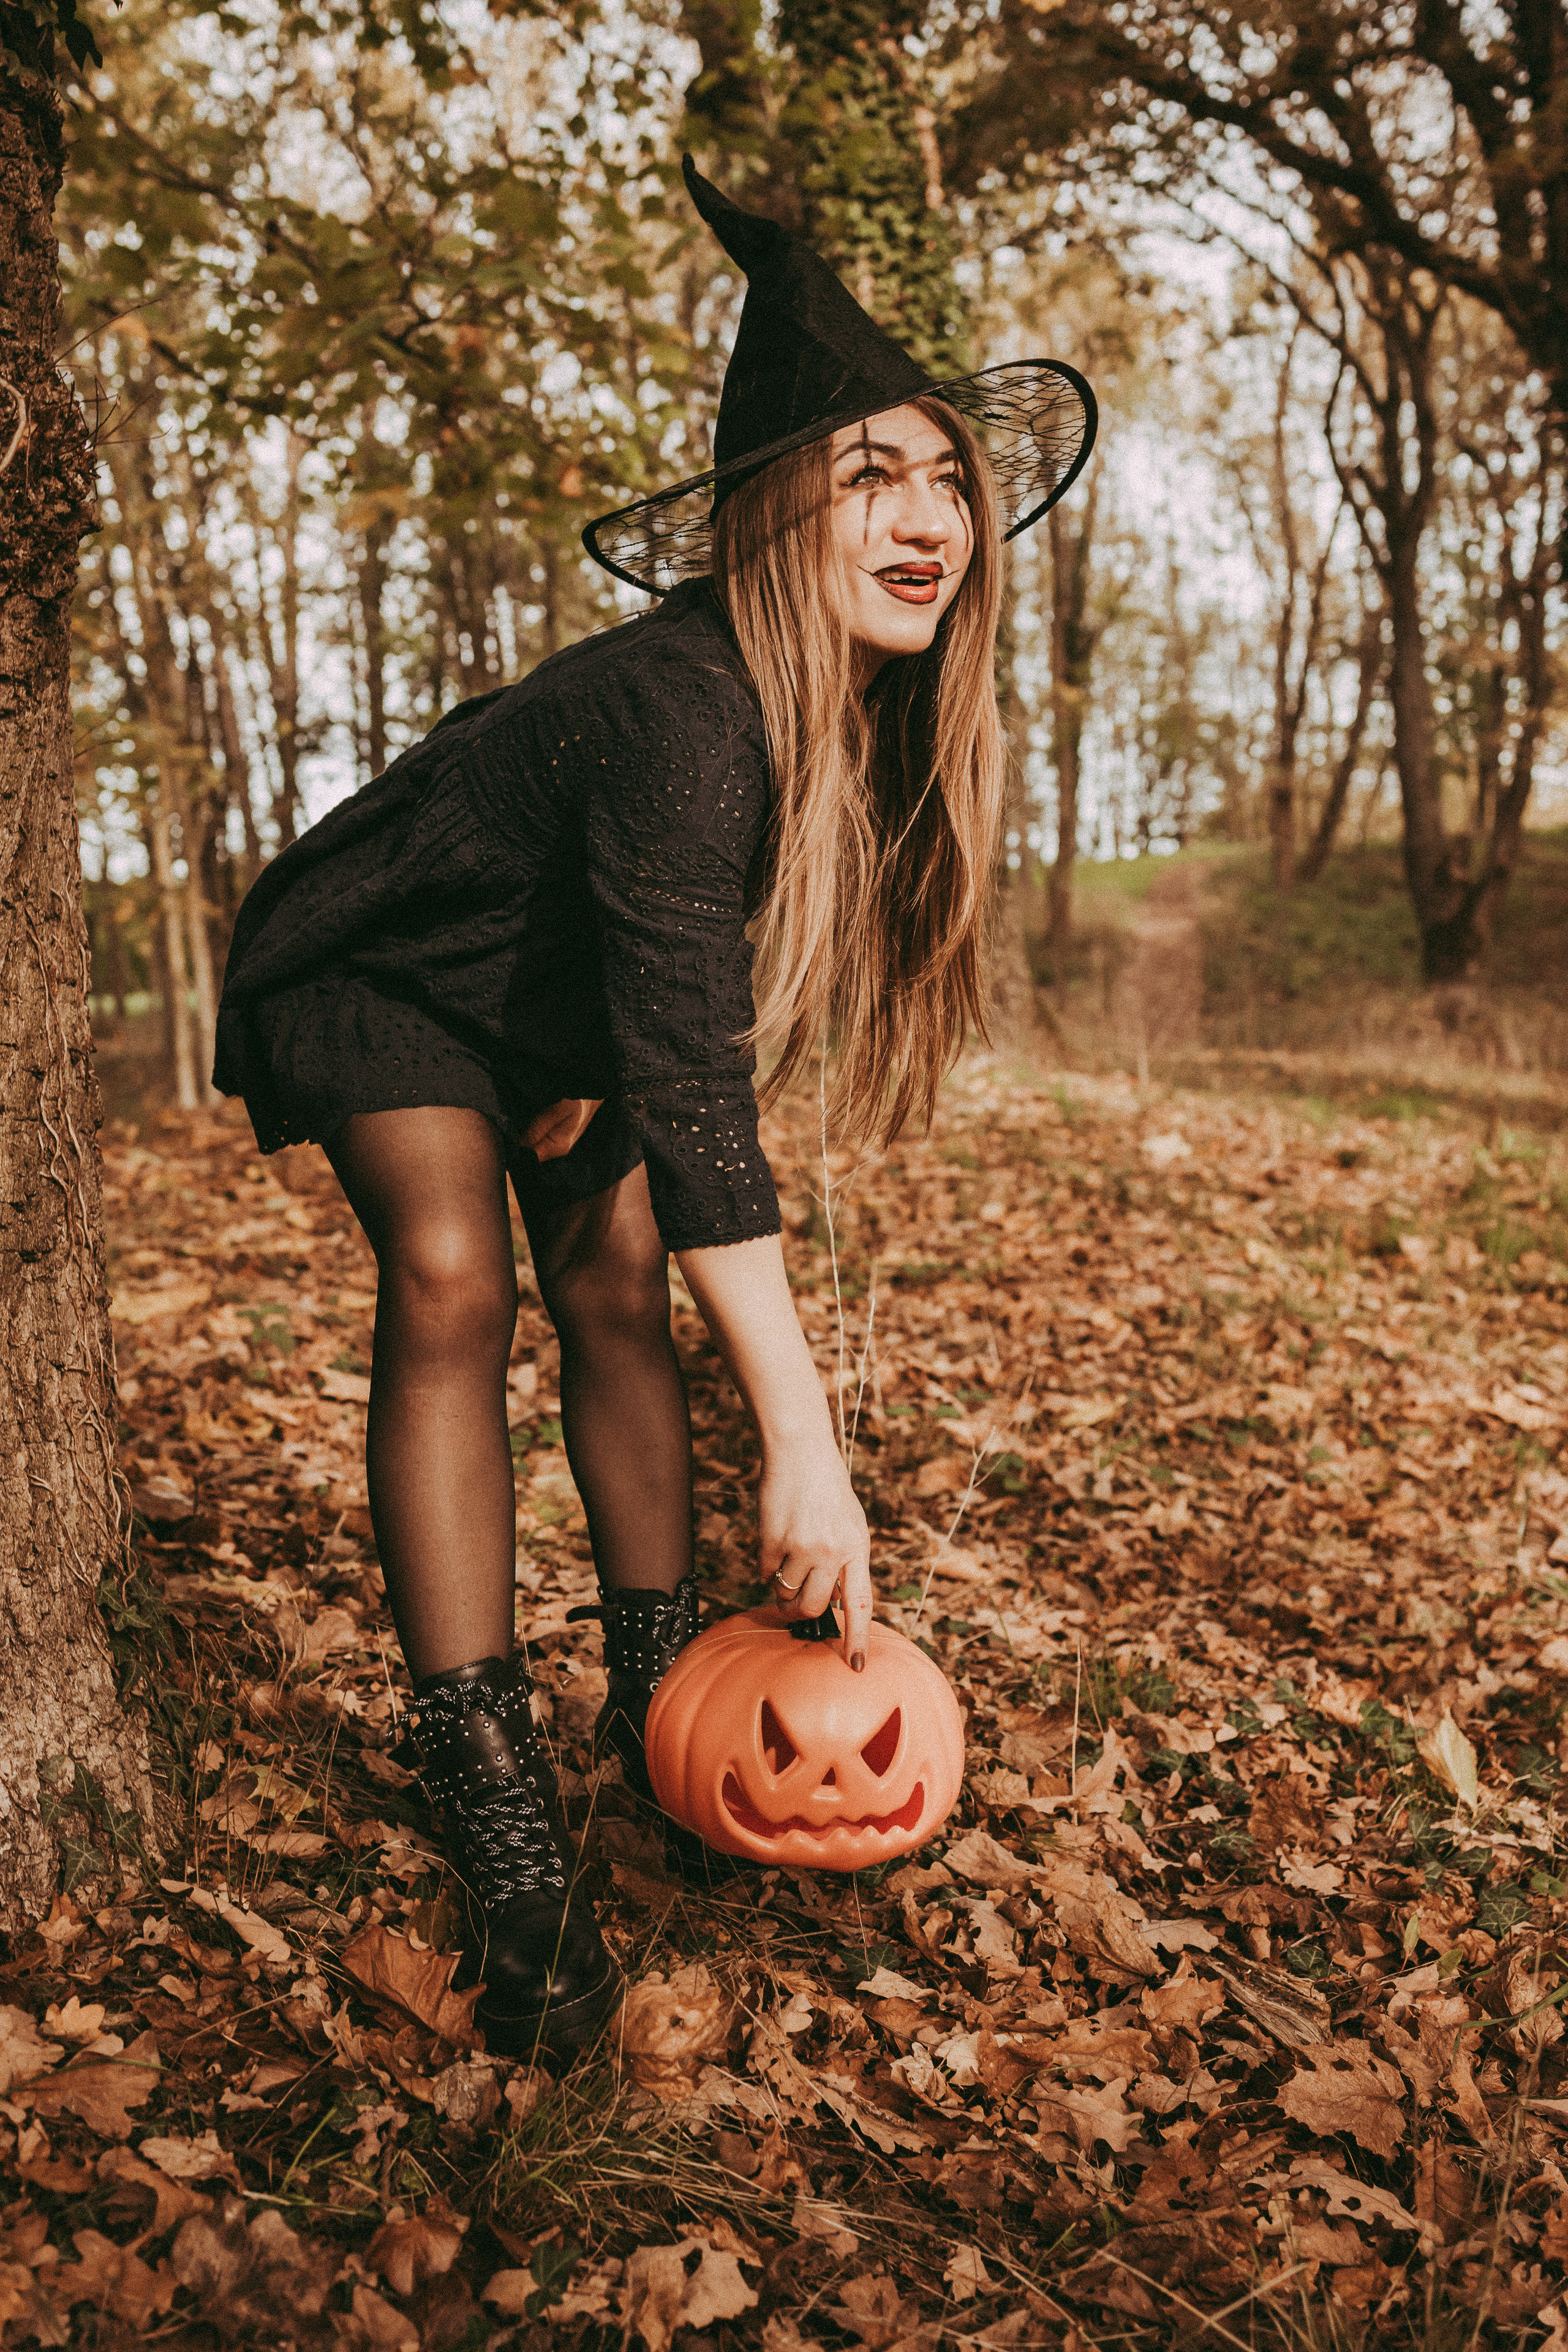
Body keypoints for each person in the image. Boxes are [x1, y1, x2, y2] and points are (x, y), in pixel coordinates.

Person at [214, 159, 1095, 2060]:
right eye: (873, 476)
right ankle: (497, 1809)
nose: (928, 516)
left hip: (562, 1019)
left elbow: (674, 1025)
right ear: (780, 505)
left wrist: (612, 1099)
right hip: (380, 973)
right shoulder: (687, 711)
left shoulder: (855, 728)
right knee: (460, 1277)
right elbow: (702, 1086)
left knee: (614, 1286)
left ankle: (651, 1697)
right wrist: (805, 1437)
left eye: (946, 478)